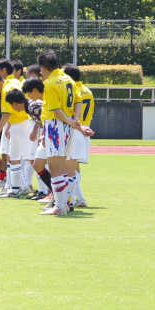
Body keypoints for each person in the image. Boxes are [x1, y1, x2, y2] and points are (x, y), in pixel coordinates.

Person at [36, 49, 85, 216]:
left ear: (43, 68)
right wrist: (74, 120)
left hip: (55, 125)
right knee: (62, 167)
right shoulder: (68, 79)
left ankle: (60, 206)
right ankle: (64, 203)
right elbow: (78, 100)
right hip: (67, 124)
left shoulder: (50, 83)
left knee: (55, 167)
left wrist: (69, 121)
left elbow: (56, 110)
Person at [0, 71, 31, 197]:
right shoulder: (13, 82)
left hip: (20, 124)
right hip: (21, 123)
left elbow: (7, 114)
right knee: (14, 157)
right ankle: (17, 186)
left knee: (17, 157)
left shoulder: (5, 90)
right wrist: (9, 127)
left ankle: (16, 189)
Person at [63, 64, 96, 208]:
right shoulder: (87, 91)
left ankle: (78, 197)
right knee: (75, 166)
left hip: (75, 128)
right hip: (85, 128)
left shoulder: (71, 91)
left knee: (68, 166)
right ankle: (77, 197)